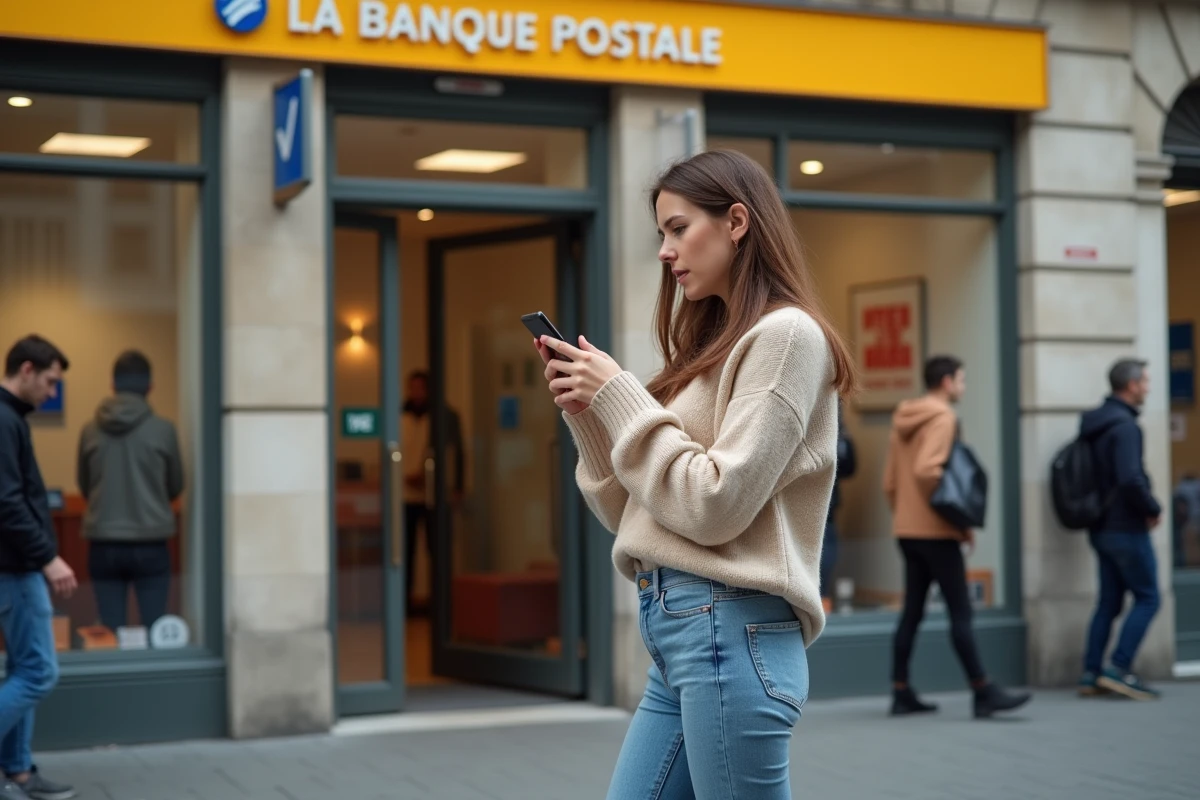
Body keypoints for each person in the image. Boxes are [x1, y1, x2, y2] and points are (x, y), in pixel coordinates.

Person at [535, 150, 853, 798]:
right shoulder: (712, 348)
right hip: (683, 635)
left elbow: (714, 504)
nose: (664, 250)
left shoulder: (788, 336)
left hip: (730, 631)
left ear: (737, 221)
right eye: (661, 233)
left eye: (678, 228)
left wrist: (622, 394)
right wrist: (591, 416)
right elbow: (635, 515)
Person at [884, 355, 1030, 719]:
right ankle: (982, 690)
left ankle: (901, 690)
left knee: (913, 612)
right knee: (960, 612)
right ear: (947, 382)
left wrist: (906, 515)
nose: (963, 387)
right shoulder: (944, 418)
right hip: (937, 532)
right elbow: (927, 471)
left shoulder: (903, 417)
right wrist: (959, 522)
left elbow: (890, 482)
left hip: (908, 529)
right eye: (962, 380)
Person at [0, 336, 78, 800]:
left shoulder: (11, 418)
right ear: (26, 369)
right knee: (39, 673)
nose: (52, 392)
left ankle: (19, 773)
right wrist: (48, 558)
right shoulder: (4, 420)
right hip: (16, 569)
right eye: (50, 381)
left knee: (22, 670)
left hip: (16, 566)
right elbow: (6, 503)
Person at [77, 350, 184, 633]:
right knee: (155, 629)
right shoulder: (164, 430)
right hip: (151, 540)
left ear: (112, 385)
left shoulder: (90, 430)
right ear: (150, 387)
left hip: (103, 541)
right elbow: (176, 486)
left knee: (110, 631)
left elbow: (85, 485)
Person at [1078, 359, 1163, 700]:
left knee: (1109, 601)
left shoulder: (1095, 423)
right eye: (1144, 381)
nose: (1148, 387)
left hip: (1100, 526)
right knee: (1148, 597)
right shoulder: (1125, 426)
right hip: (1125, 526)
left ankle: (1091, 672)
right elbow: (1130, 478)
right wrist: (1152, 508)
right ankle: (1119, 668)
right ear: (1130, 385)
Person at [400, 370, 463, 614]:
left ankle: (441, 606)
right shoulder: (400, 415)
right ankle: (404, 605)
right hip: (405, 495)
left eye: (421, 388)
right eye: (412, 387)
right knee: (405, 552)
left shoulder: (445, 416)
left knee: (437, 551)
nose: (416, 393)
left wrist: (457, 487)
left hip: (435, 494)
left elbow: (456, 453)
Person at [821, 400, 855, 601]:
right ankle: (822, 598)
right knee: (827, 545)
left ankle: (821, 598)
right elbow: (849, 465)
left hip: (823, 499)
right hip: (825, 498)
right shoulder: (832, 404)